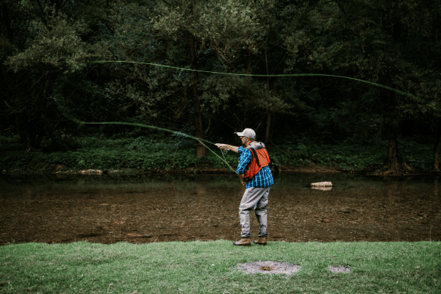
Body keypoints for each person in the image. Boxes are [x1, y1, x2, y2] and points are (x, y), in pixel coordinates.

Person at [215, 128, 274, 246]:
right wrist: (226, 146)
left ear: (247, 138)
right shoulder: (260, 146)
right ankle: (262, 238)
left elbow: (240, 170)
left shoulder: (248, 150)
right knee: (261, 209)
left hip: (256, 183)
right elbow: (241, 150)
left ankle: (245, 237)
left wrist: (243, 180)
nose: (240, 138)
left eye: (242, 137)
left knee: (243, 208)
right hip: (267, 181)